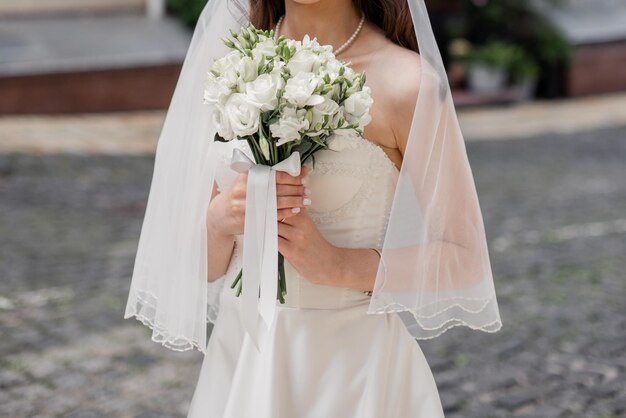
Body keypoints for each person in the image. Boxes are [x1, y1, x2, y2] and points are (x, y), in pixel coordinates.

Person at [124, 0, 502, 416]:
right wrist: (220, 222)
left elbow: (464, 259)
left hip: (350, 373)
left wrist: (339, 266)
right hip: (241, 362)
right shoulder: (230, 68)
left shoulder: (407, 83)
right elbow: (203, 268)